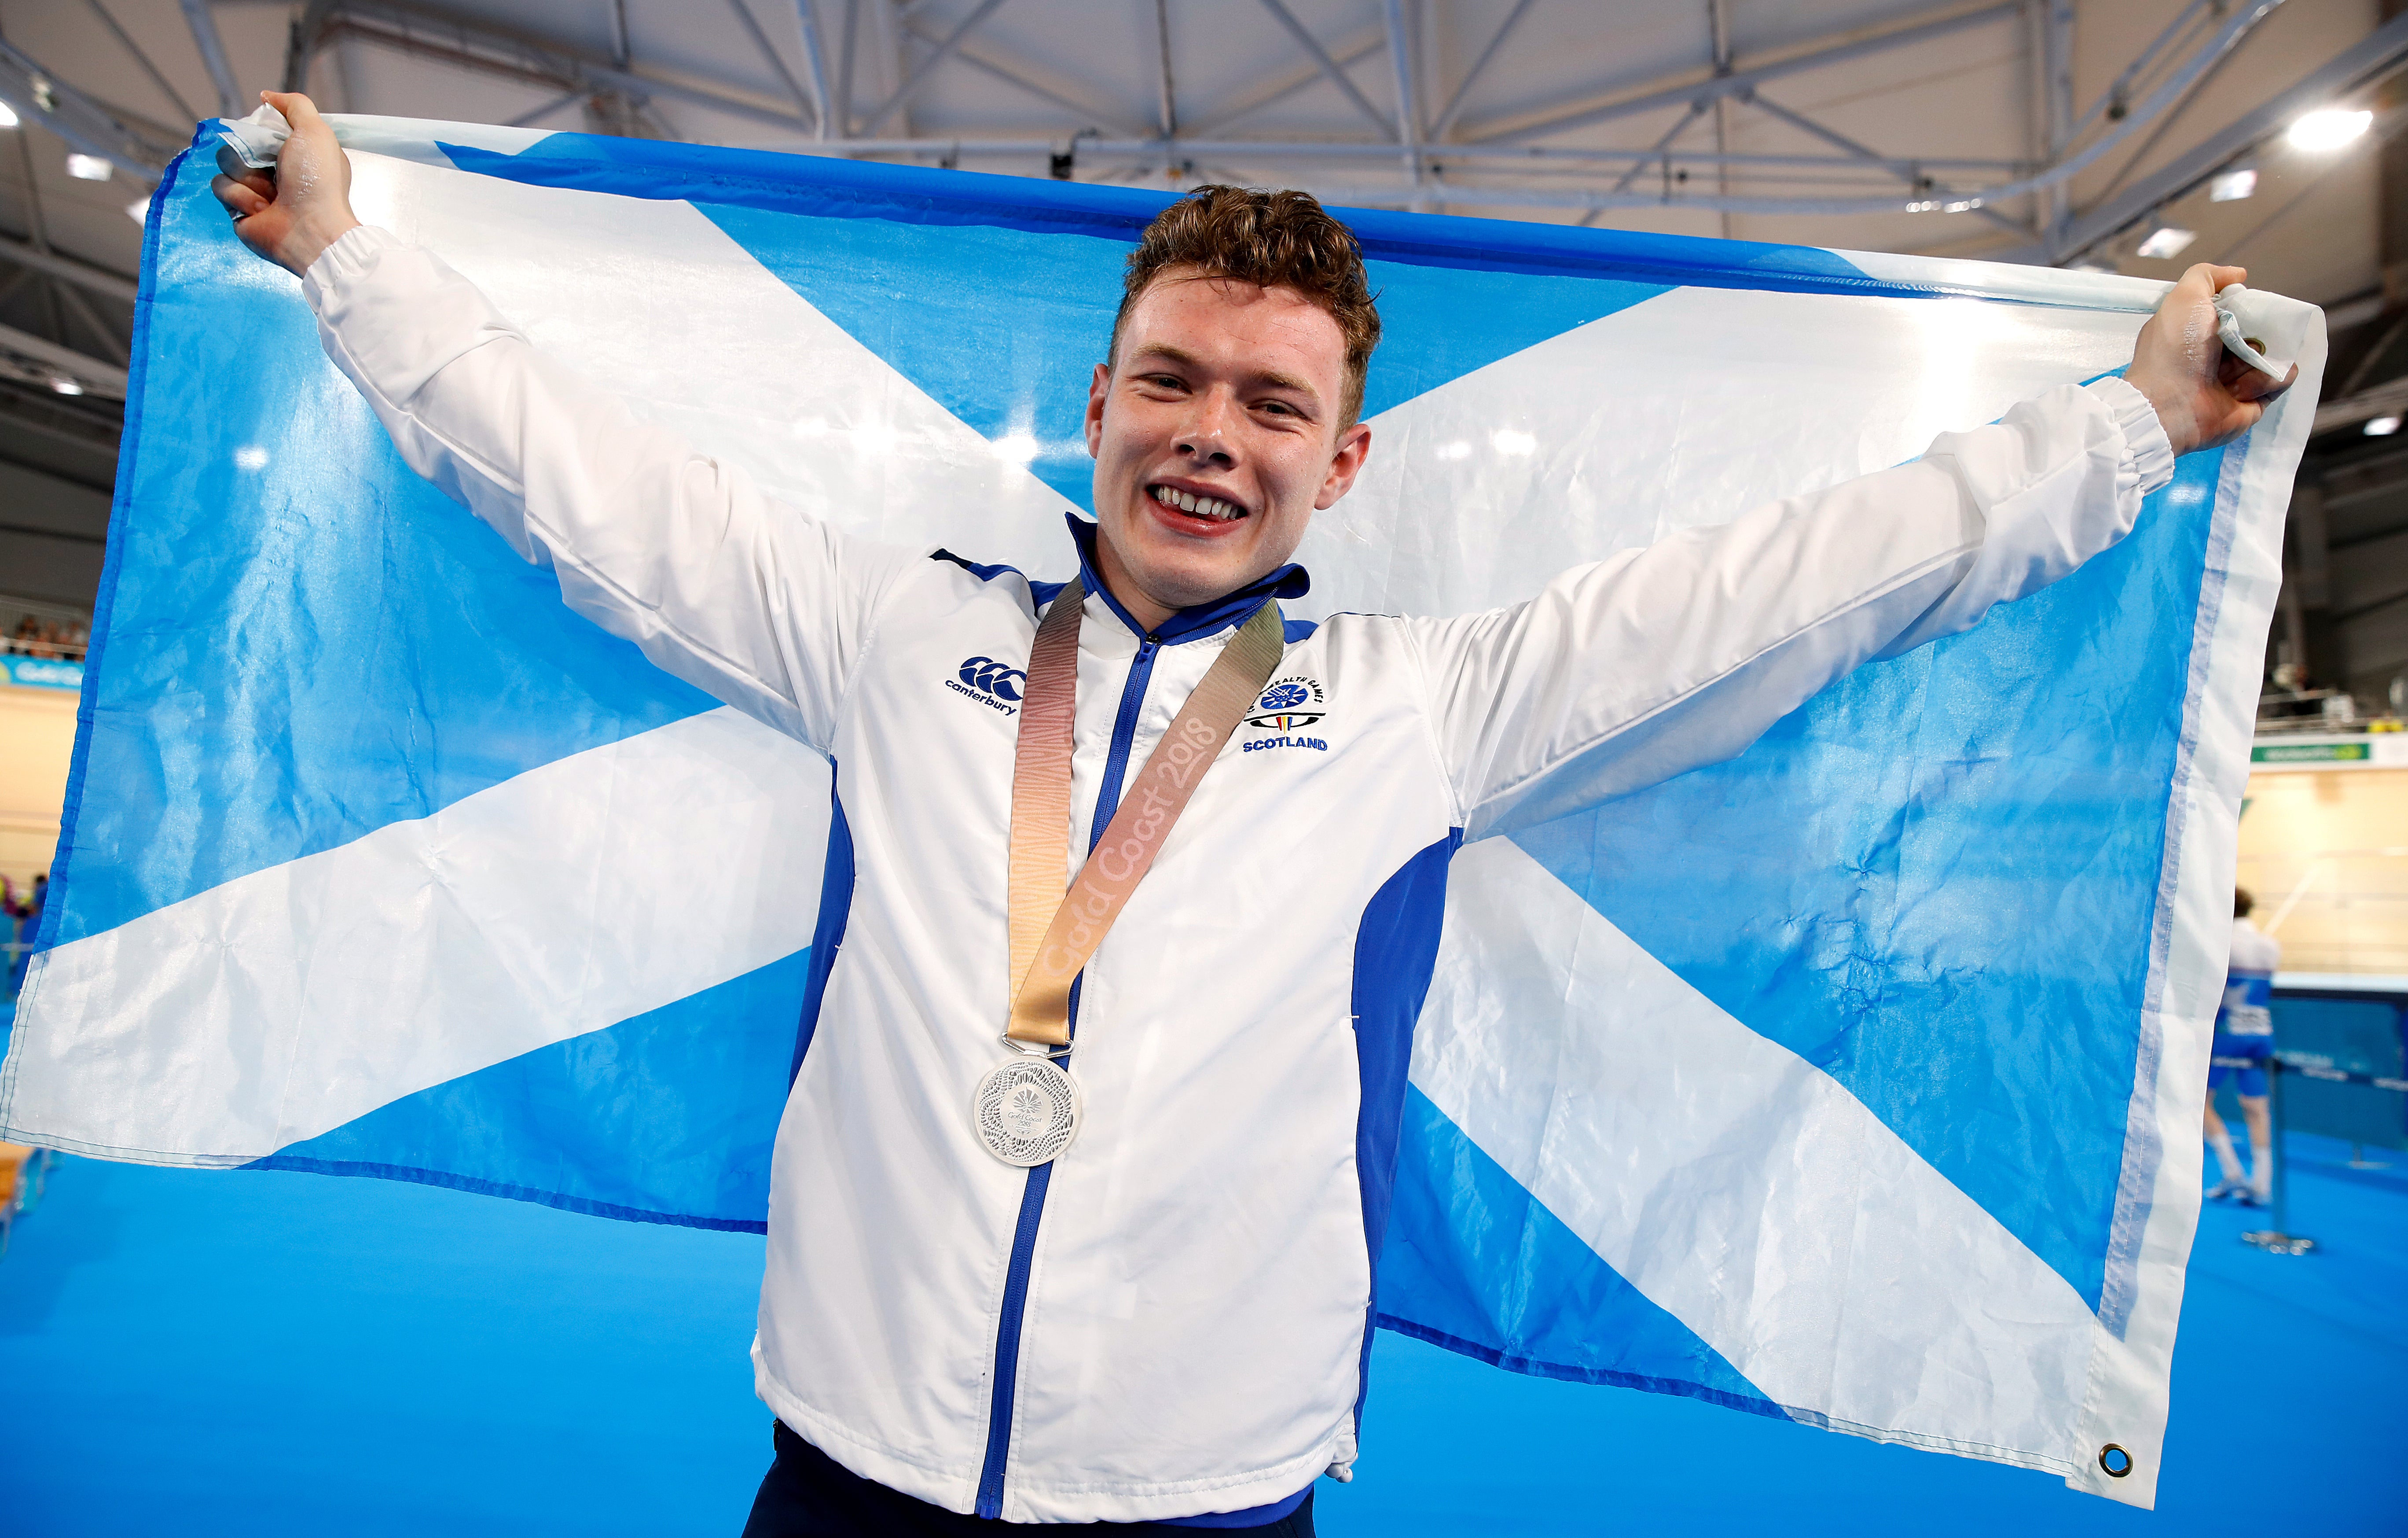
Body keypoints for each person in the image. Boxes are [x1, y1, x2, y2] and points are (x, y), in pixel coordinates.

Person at [212, 90, 2289, 1534]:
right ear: (1100, 403)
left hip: (1202, 1494)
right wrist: (347, 265)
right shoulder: (883, 636)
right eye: (1174, 380)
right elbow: (583, 478)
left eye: (1270, 403)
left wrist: (2126, 426)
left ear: (1342, 462)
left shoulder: (1424, 705)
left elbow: (1798, 577)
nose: (1213, 434)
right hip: (844, 1465)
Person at [2206, 888, 2283, 1205]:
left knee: (2201, 1106)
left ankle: (2232, 1170)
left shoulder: (2222, 944)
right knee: (2257, 1109)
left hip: (2227, 1033)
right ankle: (2262, 1183)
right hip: (2261, 1033)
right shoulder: (2270, 946)